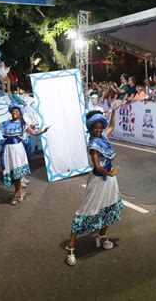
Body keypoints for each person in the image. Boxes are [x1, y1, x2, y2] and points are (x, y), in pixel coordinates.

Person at [65, 102, 123, 266]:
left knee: (110, 207)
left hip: (110, 180)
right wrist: (110, 173)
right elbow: (97, 166)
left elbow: (111, 126)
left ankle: (102, 235)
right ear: (90, 129)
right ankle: (70, 249)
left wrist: (114, 112)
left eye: (100, 127)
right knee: (86, 211)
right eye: (95, 128)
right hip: (99, 179)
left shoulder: (103, 137)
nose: (98, 130)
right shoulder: (93, 144)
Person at [0, 104, 49, 205]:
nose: (14, 113)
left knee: (16, 172)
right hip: (7, 150)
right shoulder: (6, 123)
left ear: (20, 114)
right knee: (11, 171)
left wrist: (43, 131)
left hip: (17, 149)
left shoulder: (23, 124)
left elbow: (34, 133)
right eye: (13, 111)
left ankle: (17, 193)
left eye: (17, 111)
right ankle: (19, 192)